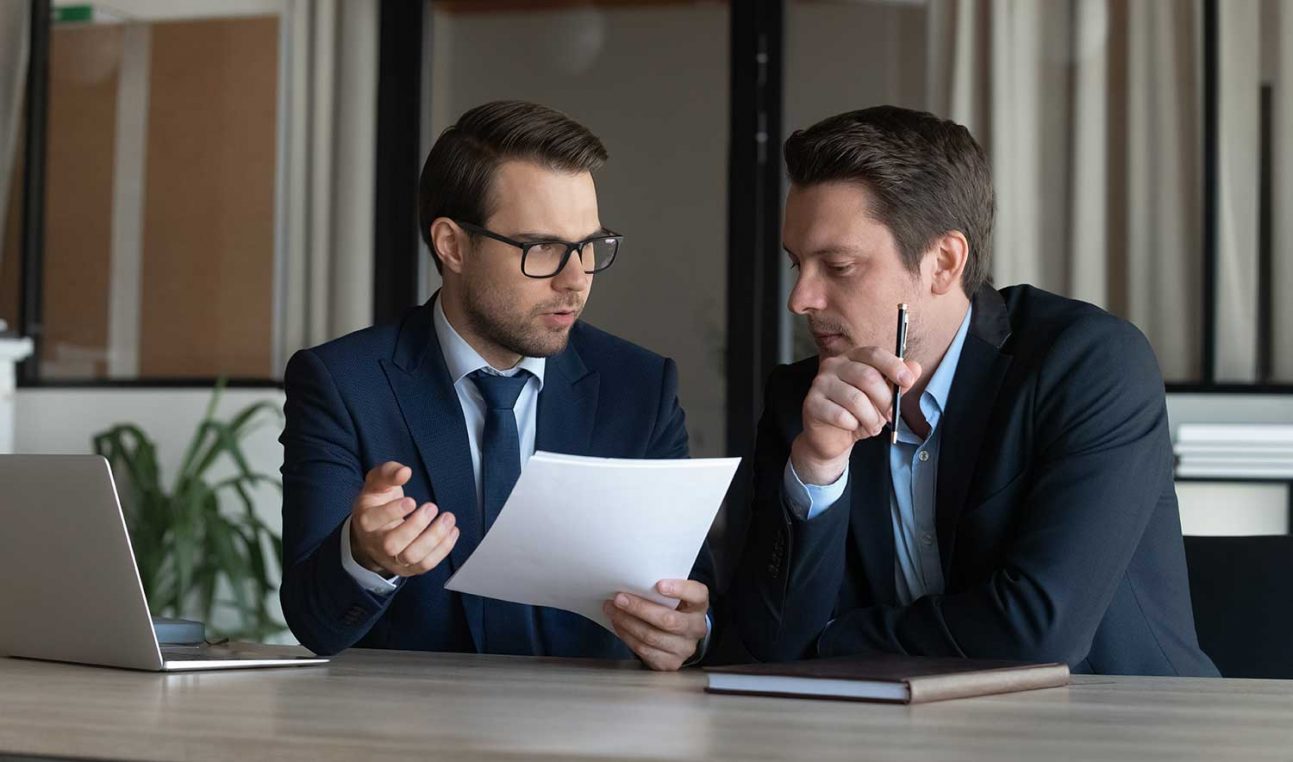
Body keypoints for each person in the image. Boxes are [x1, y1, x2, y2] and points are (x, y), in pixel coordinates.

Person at [725, 105, 1217, 676]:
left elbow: (1038, 632)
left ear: (943, 262)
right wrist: (818, 468)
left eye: (837, 266)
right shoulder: (804, 401)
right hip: (895, 721)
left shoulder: (1088, 364)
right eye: (797, 265)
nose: (801, 299)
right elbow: (767, 642)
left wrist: (833, 639)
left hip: (1118, 715)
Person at [279, 101, 710, 670]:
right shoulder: (343, 383)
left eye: (589, 246)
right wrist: (365, 559)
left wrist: (691, 630)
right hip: (409, 718)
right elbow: (313, 625)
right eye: (542, 248)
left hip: (594, 718)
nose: (576, 279)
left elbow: (693, 593)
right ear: (453, 245)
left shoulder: (641, 388)